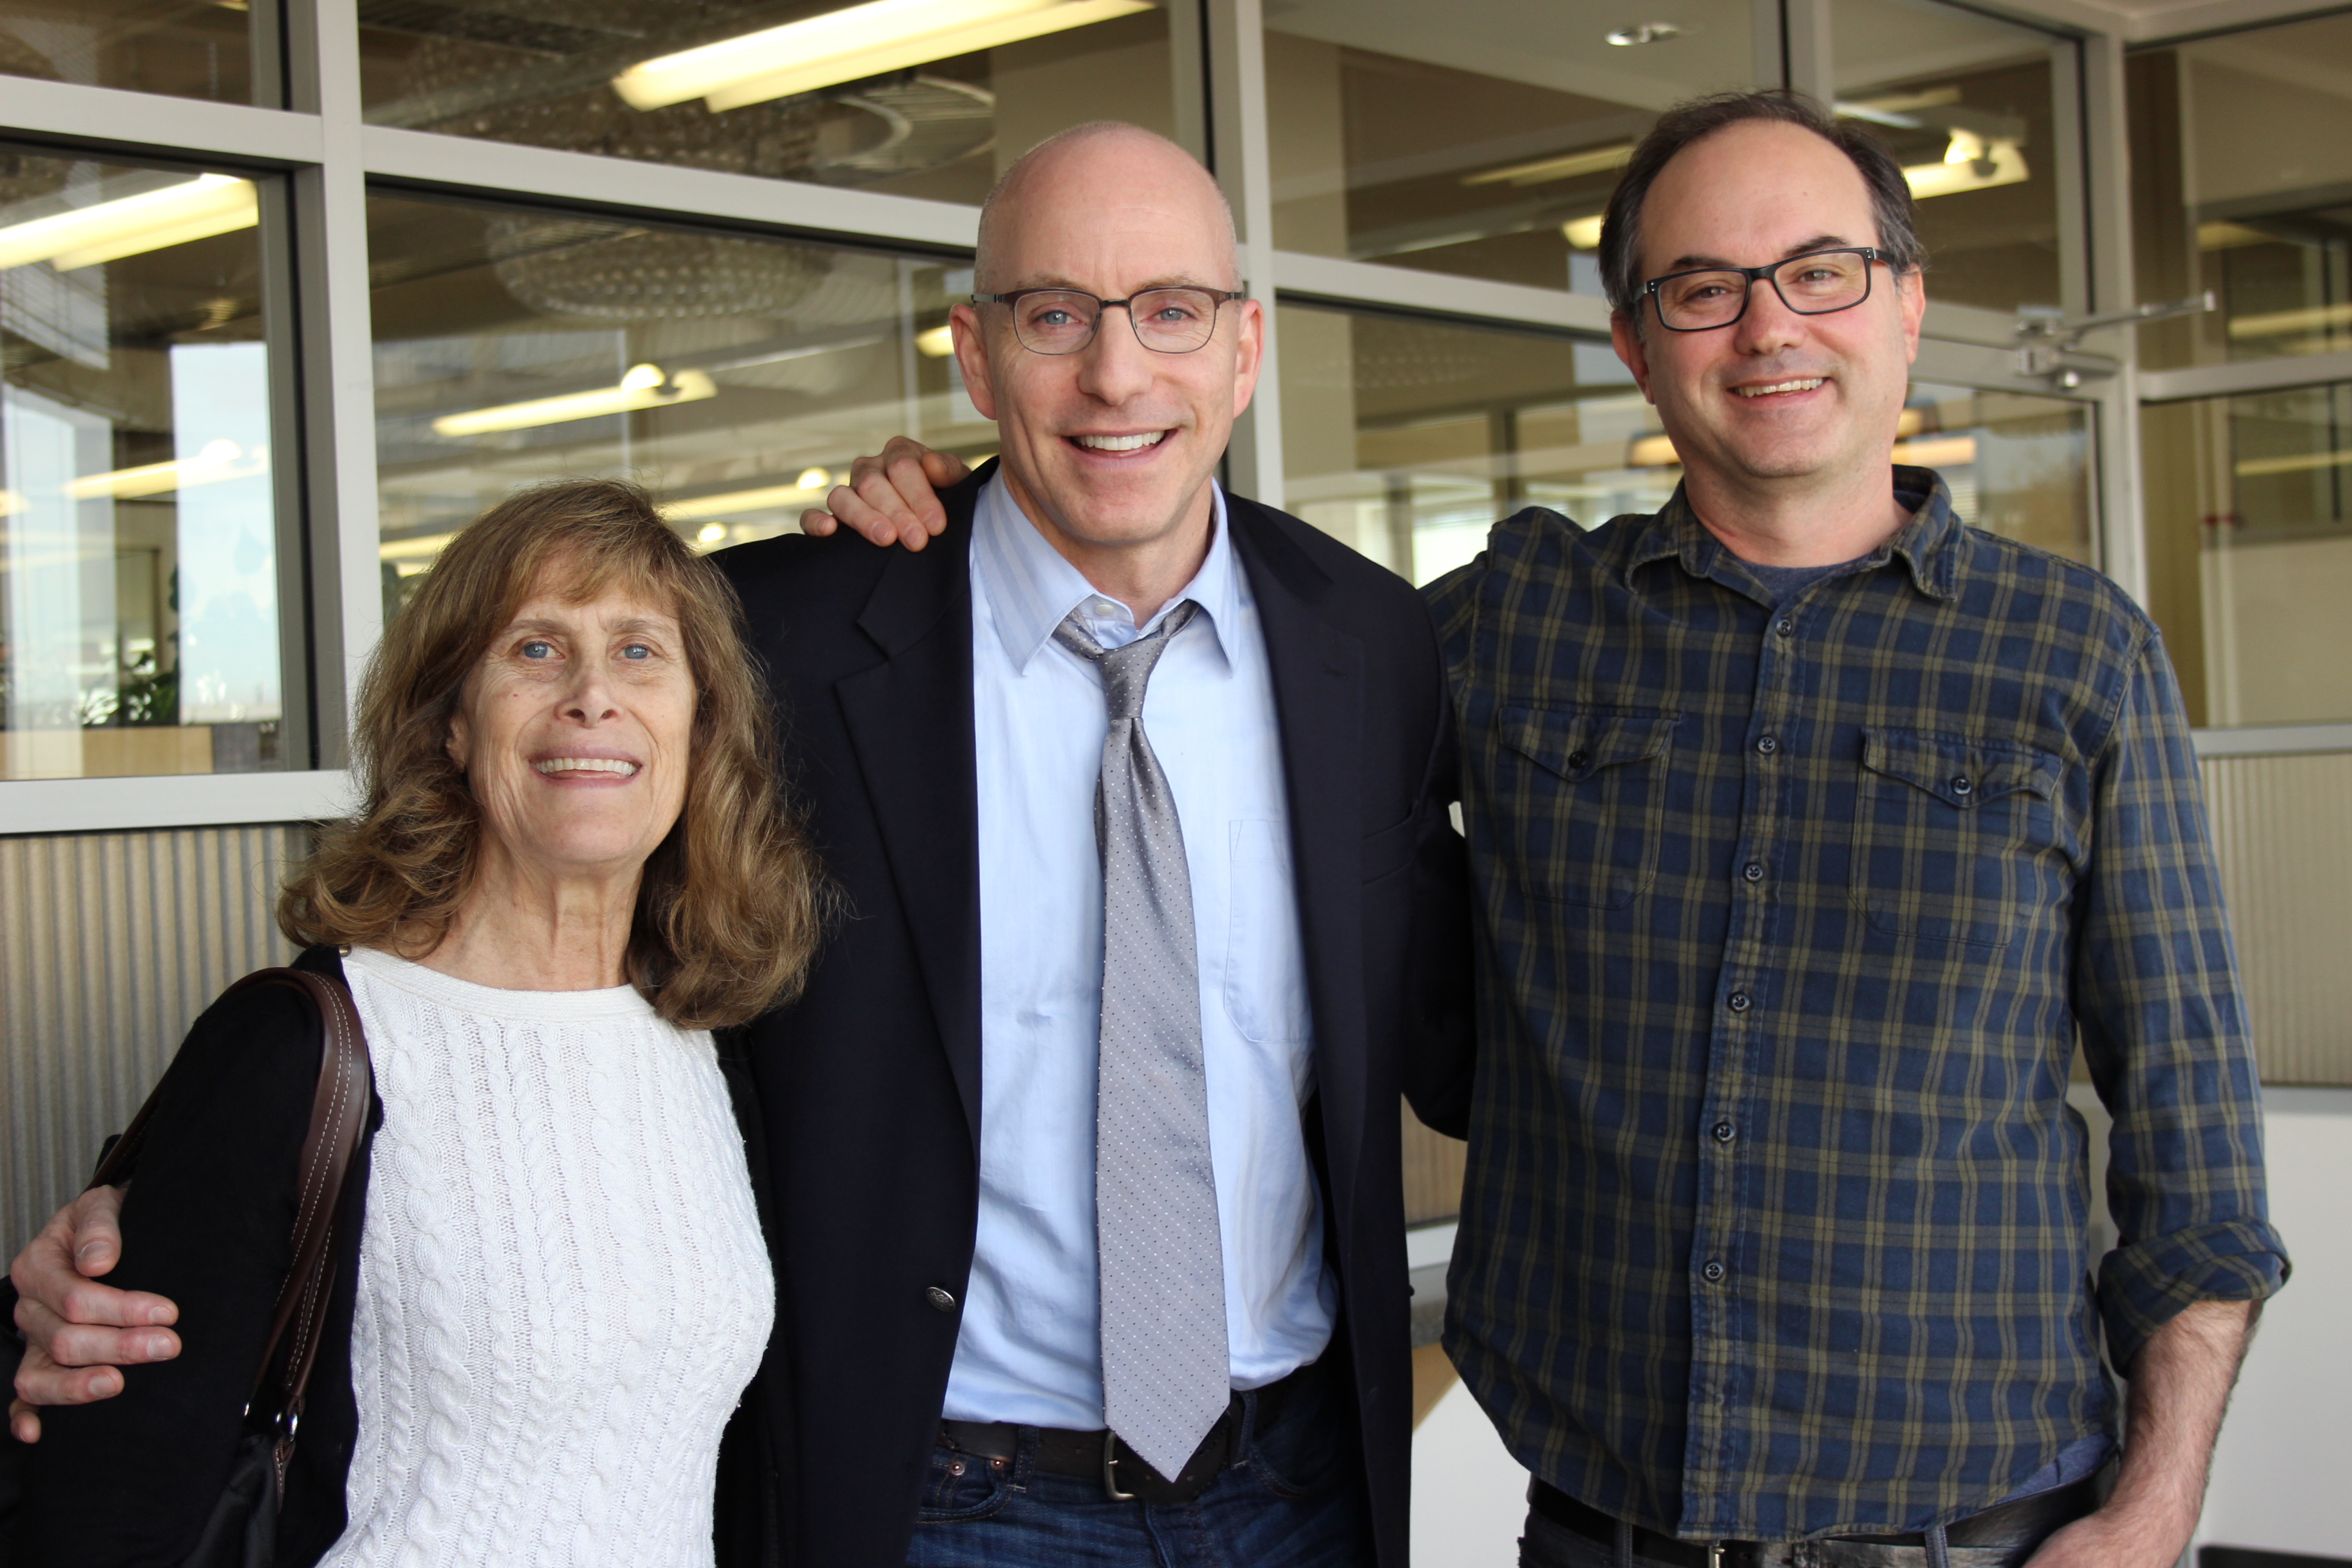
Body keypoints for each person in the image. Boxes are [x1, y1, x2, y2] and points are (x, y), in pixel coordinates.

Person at [719, 91, 2292, 1568]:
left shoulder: (2072, 653)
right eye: (1702, 288)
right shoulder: (1480, 629)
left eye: (1821, 272)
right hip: (1577, 1523)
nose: (1769, 329)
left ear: (1908, 300)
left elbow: (2195, 1137)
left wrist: (2155, 1510)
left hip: (1972, 1527)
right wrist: (926, 514)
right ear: (1632, 342)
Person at [10, 125, 1474, 1567]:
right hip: (935, 1495)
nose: (1114, 370)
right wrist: (165, 1218)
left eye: (1169, 311)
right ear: (973, 356)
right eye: (1053, 315)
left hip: (1303, 1485)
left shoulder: (1371, 641)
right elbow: (507, 959)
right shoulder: (777, 636)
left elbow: (1438, 1022)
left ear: (1243, 346)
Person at [9, 478, 828, 1566]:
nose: (594, 695)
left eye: (641, 651)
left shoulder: (704, 1035)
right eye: (536, 650)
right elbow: (109, 1486)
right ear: (448, 723)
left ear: (699, 725)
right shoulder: (304, 1049)